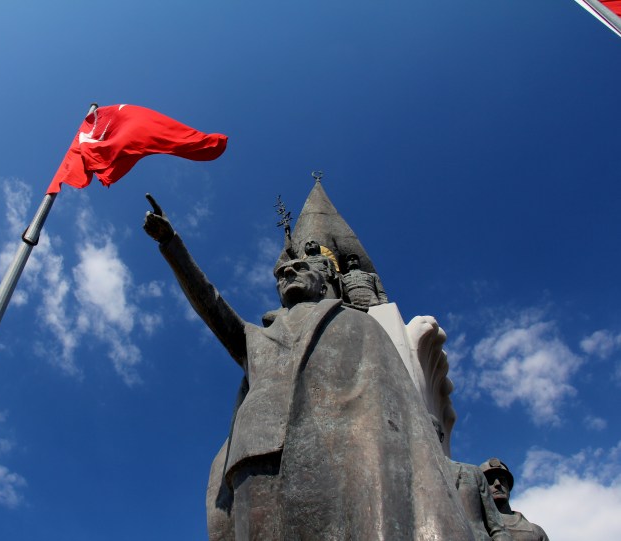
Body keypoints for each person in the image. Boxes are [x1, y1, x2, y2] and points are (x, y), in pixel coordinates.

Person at [143, 194, 475, 540]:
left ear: (325, 279)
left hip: (340, 447)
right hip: (258, 446)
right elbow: (211, 303)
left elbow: (384, 398)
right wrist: (171, 244)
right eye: (282, 273)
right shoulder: (256, 335)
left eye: (299, 268)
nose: (287, 272)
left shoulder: (355, 322)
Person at [429, 418, 512, 541]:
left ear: (441, 437)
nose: (425, 431)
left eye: (430, 426)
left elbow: (498, 528)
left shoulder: (472, 472)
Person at [480, 459, 549, 541]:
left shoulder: (536, 531)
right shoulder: (476, 527)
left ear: (509, 487)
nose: (498, 484)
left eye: (502, 480)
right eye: (490, 481)